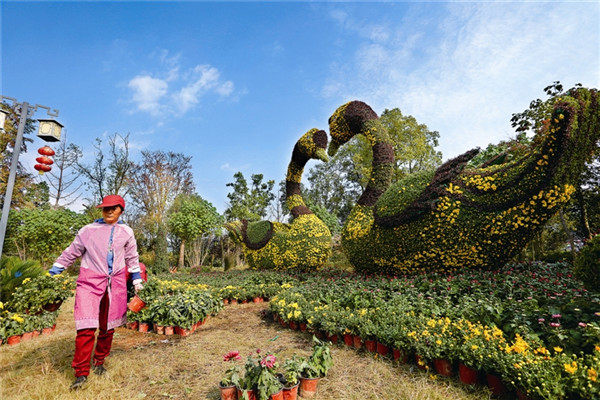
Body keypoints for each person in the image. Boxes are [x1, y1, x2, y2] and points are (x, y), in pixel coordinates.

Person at [49, 195, 144, 390]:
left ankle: (99, 361)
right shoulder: (88, 231)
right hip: (90, 282)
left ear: (121, 210)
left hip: (115, 283)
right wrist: (54, 272)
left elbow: (132, 258)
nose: (109, 211)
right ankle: (81, 373)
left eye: (114, 208)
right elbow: (72, 252)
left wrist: (137, 281)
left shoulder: (126, 232)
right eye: (105, 208)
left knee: (108, 326)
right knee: (85, 327)